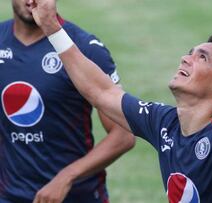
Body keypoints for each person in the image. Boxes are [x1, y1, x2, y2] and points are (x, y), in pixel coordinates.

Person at [28, 0, 212, 202]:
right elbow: (101, 93)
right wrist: (52, 28)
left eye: (202, 57)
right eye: (190, 53)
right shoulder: (164, 122)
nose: (186, 58)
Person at [0, 0, 135, 202]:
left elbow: (123, 135)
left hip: (76, 196)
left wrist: (66, 177)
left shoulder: (85, 48)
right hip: (10, 195)